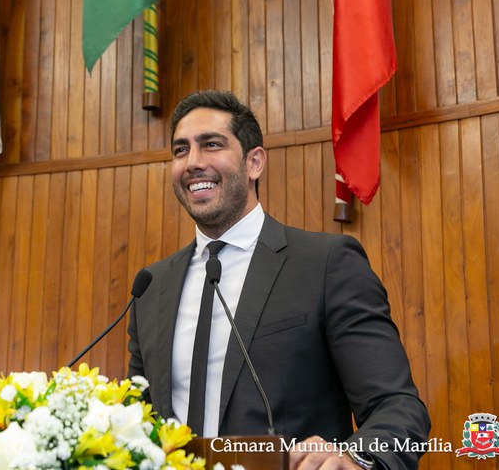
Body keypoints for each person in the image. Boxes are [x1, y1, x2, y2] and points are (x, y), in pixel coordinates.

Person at [127, 90, 431, 470]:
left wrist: (357, 458)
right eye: (180, 150)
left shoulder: (325, 264)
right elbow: (135, 423)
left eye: (211, 145)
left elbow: (396, 407)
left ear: (254, 162)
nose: (193, 163)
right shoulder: (151, 287)